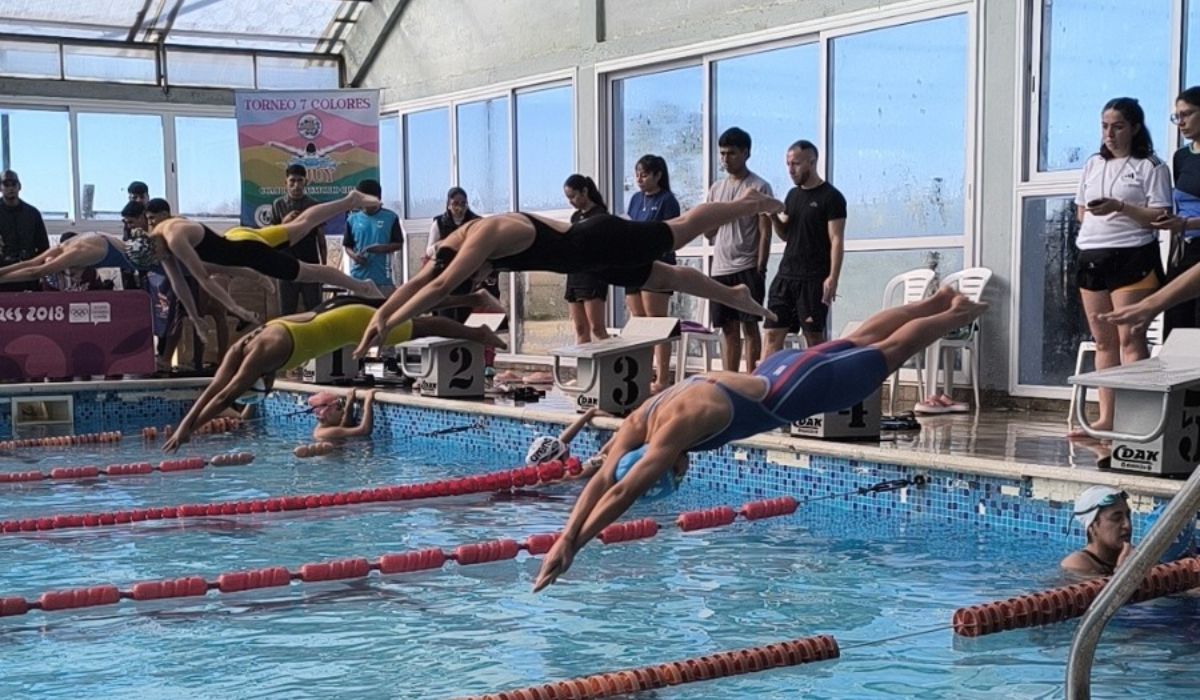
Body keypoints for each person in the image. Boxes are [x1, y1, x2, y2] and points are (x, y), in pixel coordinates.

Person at [532, 286, 988, 591]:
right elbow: (607, 475)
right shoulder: (641, 420)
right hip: (774, 369)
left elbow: (623, 490)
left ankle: (954, 313)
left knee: (889, 350)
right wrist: (566, 537)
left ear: (666, 467)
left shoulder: (672, 435)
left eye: (676, 476)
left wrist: (578, 544)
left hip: (799, 389)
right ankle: (940, 299)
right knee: (865, 334)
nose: (684, 471)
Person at [354, 189, 784, 357]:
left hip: (599, 241)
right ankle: (735, 296)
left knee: (682, 230)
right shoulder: (450, 246)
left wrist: (392, 320)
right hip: (590, 261)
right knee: (664, 278)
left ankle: (749, 202)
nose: (483, 275)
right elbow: (420, 281)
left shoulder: (484, 233)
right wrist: (380, 315)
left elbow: (444, 283)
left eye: (479, 274)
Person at [163, 292, 505, 452]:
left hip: (348, 323)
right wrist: (185, 427)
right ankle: (473, 296)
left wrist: (189, 430)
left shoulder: (262, 356)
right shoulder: (242, 347)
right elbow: (213, 391)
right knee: (403, 304)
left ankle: (478, 333)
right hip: (333, 309)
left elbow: (225, 394)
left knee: (419, 325)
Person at [1069, 97, 1171, 436]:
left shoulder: (1150, 165)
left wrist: (1120, 207)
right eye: (1104, 126)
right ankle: (1107, 416)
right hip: (1092, 257)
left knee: (1131, 338)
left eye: (1118, 126)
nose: (1109, 133)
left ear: (1135, 128)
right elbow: (1081, 210)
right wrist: (1097, 218)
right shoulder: (1093, 163)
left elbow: (1160, 216)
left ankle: (1137, 418)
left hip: (1132, 256)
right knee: (1103, 342)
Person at [139, 193, 383, 325]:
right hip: (239, 237)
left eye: (158, 256)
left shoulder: (174, 240)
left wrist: (235, 307)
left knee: (311, 272)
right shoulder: (159, 234)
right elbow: (179, 284)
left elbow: (204, 278)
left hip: (250, 250)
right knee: (302, 223)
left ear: (154, 246)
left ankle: (362, 287)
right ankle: (350, 200)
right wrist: (192, 315)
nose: (161, 259)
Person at [763, 140, 846, 355]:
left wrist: (833, 277)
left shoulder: (831, 197)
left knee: (814, 338)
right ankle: (763, 385)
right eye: (788, 164)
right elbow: (786, 234)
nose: (791, 170)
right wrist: (772, 214)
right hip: (786, 275)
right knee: (772, 333)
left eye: (796, 164)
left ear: (812, 162)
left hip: (813, 278)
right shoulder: (793, 195)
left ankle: (819, 385)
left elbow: (836, 239)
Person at [705, 128, 773, 374]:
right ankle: (729, 380)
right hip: (720, 267)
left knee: (750, 326)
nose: (725, 159)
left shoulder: (759, 186)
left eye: (731, 153)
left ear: (745, 153)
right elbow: (708, 232)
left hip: (747, 266)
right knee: (728, 328)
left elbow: (765, 229)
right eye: (722, 154)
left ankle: (750, 380)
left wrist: (760, 266)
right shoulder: (716, 189)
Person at [625, 155, 682, 393]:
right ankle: (642, 374)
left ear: (658, 175)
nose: (639, 178)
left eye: (645, 174)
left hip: (657, 266)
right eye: (637, 173)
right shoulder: (635, 200)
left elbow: (672, 235)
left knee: (656, 322)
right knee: (639, 322)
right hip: (633, 266)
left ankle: (662, 377)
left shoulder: (667, 200)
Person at [1151, 86, 1200, 338]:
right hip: (1183, 250)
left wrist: (1186, 224)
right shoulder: (1181, 157)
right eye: (1176, 116)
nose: (1180, 122)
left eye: (1187, 114)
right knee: (1177, 326)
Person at [426, 187, 490, 323]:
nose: (459, 207)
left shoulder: (476, 222)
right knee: (446, 314)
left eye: (463, 203)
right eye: (455, 203)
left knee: (465, 313)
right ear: (448, 205)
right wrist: (446, 244)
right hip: (446, 273)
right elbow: (429, 250)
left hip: (468, 274)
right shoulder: (439, 222)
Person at [272, 164, 328, 315]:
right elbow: (271, 237)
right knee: (287, 313)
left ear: (305, 182)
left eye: (300, 181)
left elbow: (321, 239)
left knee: (315, 311)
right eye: (292, 181)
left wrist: (324, 267)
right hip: (285, 265)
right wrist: (285, 222)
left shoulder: (314, 205)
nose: (296, 186)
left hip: (310, 264)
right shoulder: (278, 204)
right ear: (286, 183)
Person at [563, 175, 611, 345]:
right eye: (568, 198)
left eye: (574, 196)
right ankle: (584, 369)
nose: (571, 201)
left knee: (597, 328)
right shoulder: (575, 217)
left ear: (585, 191)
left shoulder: (600, 214)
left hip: (593, 276)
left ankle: (610, 366)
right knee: (580, 328)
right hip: (575, 275)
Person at [344, 179, 405, 295]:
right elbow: (347, 246)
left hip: (383, 278)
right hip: (358, 279)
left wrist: (381, 248)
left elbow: (399, 244)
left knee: (381, 311)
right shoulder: (352, 219)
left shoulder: (390, 217)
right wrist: (355, 257)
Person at [1060, 486, 1133, 577]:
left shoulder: (1129, 554)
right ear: (1092, 527)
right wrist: (1122, 570)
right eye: (1117, 519)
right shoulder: (1076, 564)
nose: (1127, 525)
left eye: (1128, 516)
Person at [0, 169, 50, 293]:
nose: (10, 188)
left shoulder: (32, 214)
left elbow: (44, 247)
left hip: (29, 272)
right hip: (3, 272)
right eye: (6, 184)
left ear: (19, 186)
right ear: (0, 187)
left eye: (14, 184)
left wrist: (43, 271)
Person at [309, 389, 378, 441]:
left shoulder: (324, 425)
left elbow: (344, 426)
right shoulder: (328, 432)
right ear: (328, 415)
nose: (342, 410)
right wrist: (368, 401)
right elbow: (364, 430)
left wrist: (349, 402)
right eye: (339, 407)